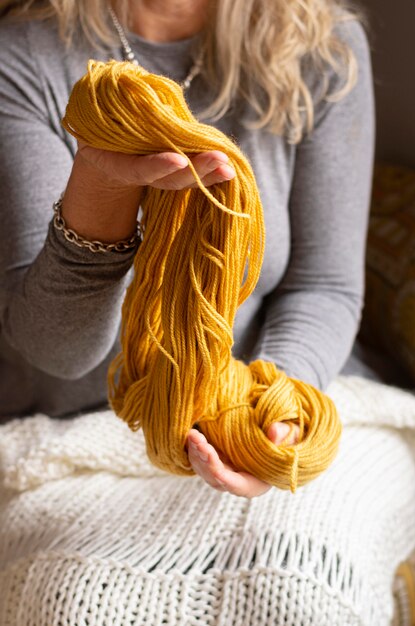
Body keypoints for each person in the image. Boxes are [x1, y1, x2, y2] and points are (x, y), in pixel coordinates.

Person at [0, 0, 374, 498]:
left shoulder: (321, 47)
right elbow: (58, 354)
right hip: (66, 426)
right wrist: (101, 186)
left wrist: (264, 414)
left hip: (257, 389)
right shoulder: (20, 56)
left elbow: (323, 286)